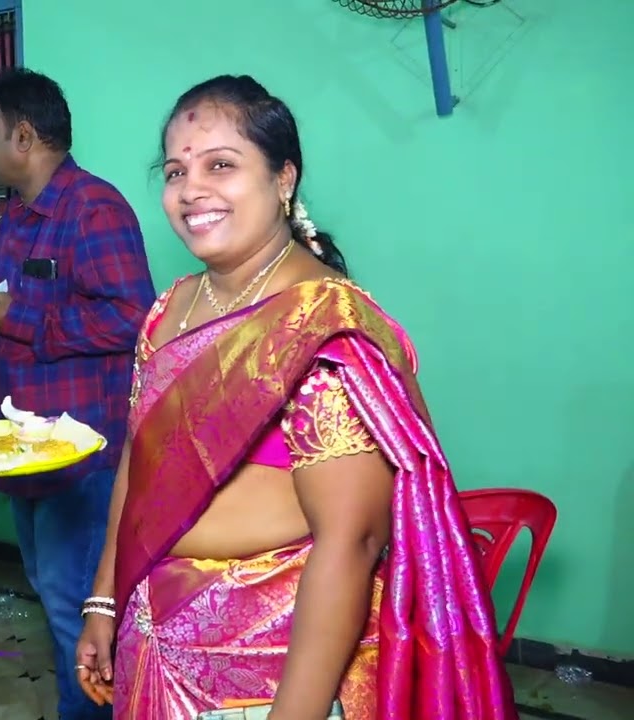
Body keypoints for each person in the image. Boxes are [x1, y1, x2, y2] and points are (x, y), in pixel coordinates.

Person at [73, 75, 516, 720]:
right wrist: (103, 602)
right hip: (157, 641)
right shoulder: (168, 311)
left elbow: (353, 541)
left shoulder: (324, 328)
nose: (191, 190)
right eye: (175, 172)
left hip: (272, 666)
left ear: (284, 179)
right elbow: (141, 471)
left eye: (221, 165)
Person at [0, 68, 155, 720]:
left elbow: (133, 319)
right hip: (24, 443)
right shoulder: (17, 213)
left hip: (80, 454)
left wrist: (12, 320)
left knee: (78, 609)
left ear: (24, 136)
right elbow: (11, 292)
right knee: (56, 599)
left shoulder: (93, 209)